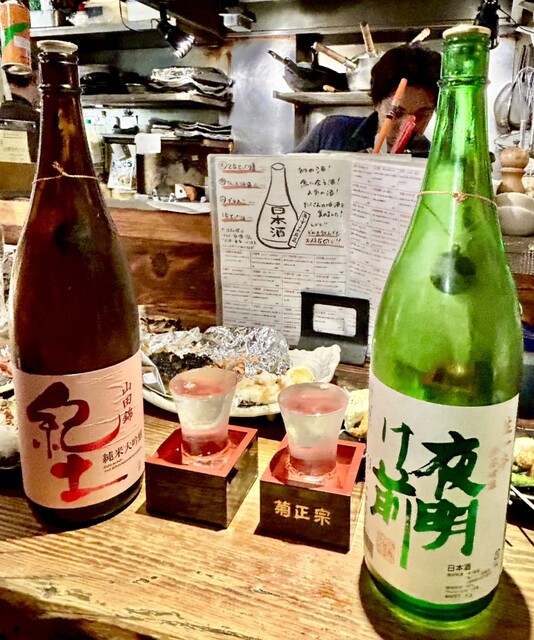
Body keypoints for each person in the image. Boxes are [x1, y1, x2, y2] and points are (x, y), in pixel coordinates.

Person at [294, 44, 441, 156]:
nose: (406, 127)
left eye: (421, 114)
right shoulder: (332, 132)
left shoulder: (433, 160)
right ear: (376, 103)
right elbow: (286, 176)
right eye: (396, 112)